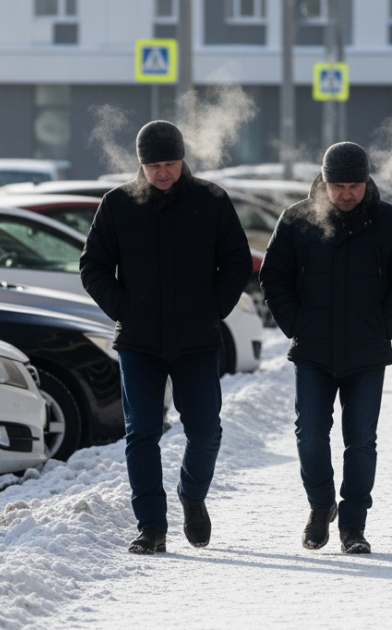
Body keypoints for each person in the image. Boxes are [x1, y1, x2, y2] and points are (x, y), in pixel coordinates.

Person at [80, 120, 252, 555]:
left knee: (206, 431)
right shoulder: (118, 204)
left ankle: (192, 496)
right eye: (153, 165)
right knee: (142, 434)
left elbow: (236, 261)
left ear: (182, 159)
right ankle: (152, 527)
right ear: (140, 164)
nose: (162, 173)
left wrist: (213, 309)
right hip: (139, 342)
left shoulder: (210, 200)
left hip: (197, 339)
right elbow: (93, 266)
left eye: (169, 163)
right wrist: (124, 308)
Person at [260, 142, 392, 554]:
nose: (346, 194)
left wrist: (384, 326)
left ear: (367, 181)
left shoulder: (389, 222)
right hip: (312, 350)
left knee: (361, 441)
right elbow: (273, 276)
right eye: (338, 186)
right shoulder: (298, 220)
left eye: (354, 185)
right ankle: (320, 509)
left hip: (367, 353)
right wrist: (296, 324)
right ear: (324, 182)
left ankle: (353, 525)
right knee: (310, 435)